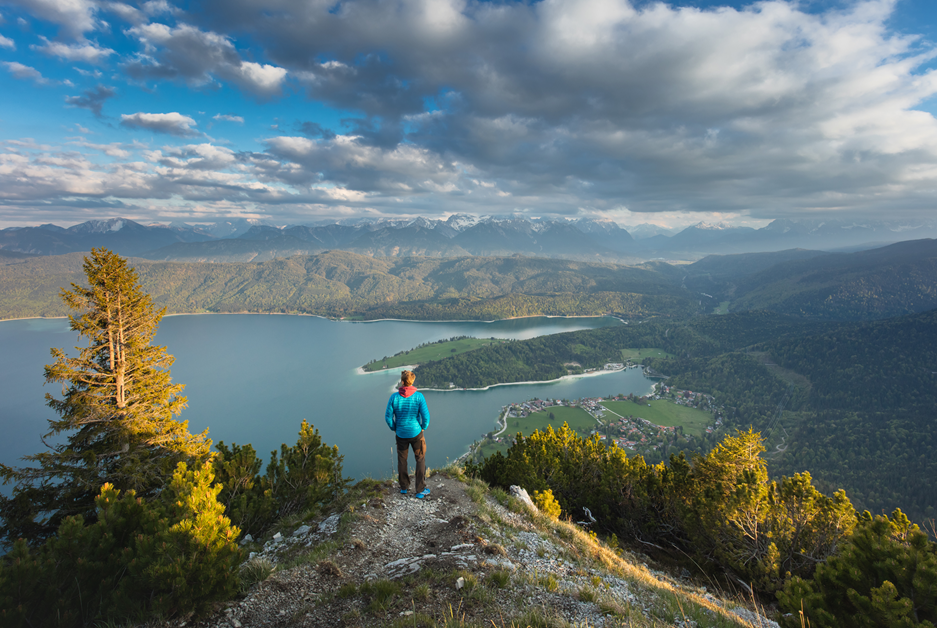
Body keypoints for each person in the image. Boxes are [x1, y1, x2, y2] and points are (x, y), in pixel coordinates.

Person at [385, 370, 431, 498]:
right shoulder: (419, 396)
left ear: (402, 381)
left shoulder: (394, 397)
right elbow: (426, 417)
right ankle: (420, 489)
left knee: (402, 460)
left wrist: (394, 427)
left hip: (401, 434)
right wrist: (423, 428)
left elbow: (388, 417)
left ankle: (404, 487)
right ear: (412, 381)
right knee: (420, 458)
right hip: (416, 433)